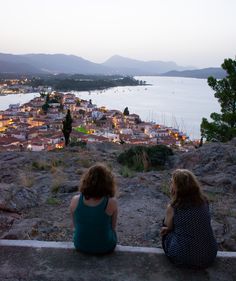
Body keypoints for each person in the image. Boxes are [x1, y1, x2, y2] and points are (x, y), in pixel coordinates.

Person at [160, 169, 217, 268]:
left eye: (172, 182)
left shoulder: (174, 206)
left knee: (165, 231)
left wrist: (167, 229)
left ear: (177, 187)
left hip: (183, 258)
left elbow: (168, 227)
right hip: (209, 255)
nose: (170, 185)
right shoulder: (204, 201)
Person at [70, 163, 118, 254]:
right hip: (105, 247)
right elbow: (113, 227)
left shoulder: (75, 200)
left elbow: (75, 226)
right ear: (108, 182)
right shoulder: (112, 202)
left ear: (86, 180)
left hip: (80, 245)